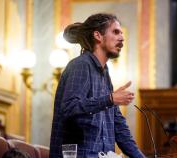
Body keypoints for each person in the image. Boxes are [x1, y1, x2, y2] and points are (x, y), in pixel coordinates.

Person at [49, 13, 145, 158]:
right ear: (98, 36)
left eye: (121, 33)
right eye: (115, 32)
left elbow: (119, 127)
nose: (122, 38)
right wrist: (110, 99)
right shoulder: (81, 65)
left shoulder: (105, 74)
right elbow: (69, 107)